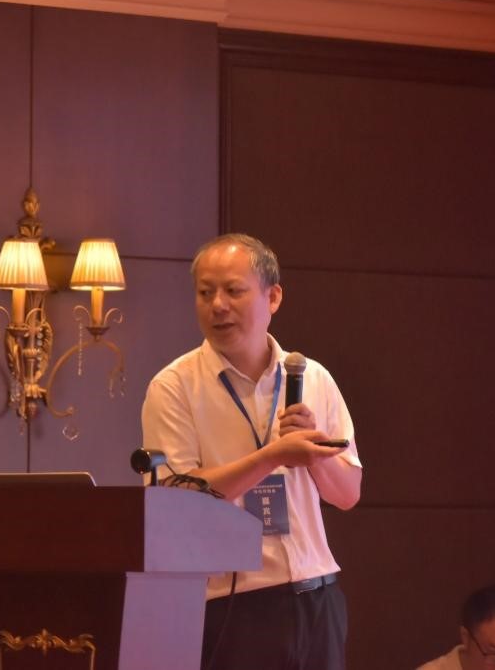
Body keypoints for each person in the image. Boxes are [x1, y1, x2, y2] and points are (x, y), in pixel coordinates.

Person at [141, 233, 363, 670]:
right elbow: (174, 500)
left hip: (317, 596)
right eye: (205, 293)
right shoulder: (174, 387)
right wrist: (272, 456)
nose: (218, 305)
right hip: (233, 606)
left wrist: (313, 453)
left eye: (233, 290)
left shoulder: (313, 377)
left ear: (273, 297)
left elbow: (348, 494)